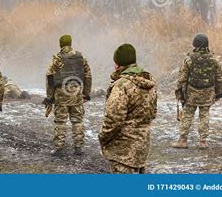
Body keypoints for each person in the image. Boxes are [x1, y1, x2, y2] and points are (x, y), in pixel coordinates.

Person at [99, 43, 157, 173]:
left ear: (118, 64)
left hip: (122, 152)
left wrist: (102, 137)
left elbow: (113, 120)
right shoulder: (149, 81)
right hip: (141, 149)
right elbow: (152, 113)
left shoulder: (121, 85)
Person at [172, 34, 222, 149]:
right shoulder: (213, 59)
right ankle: (203, 141)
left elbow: (182, 78)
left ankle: (183, 140)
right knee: (204, 116)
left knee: (188, 115)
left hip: (191, 94)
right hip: (208, 93)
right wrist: (218, 93)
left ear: (195, 44)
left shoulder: (189, 59)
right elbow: (219, 77)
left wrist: (180, 93)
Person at [43, 34, 92, 156]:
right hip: (76, 94)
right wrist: (86, 93)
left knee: (60, 121)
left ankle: (59, 148)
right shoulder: (81, 57)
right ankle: (78, 147)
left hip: (61, 94)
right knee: (77, 121)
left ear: (60, 44)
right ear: (70, 43)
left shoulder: (57, 59)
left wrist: (49, 97)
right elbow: (88, 76)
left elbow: (50, 79)